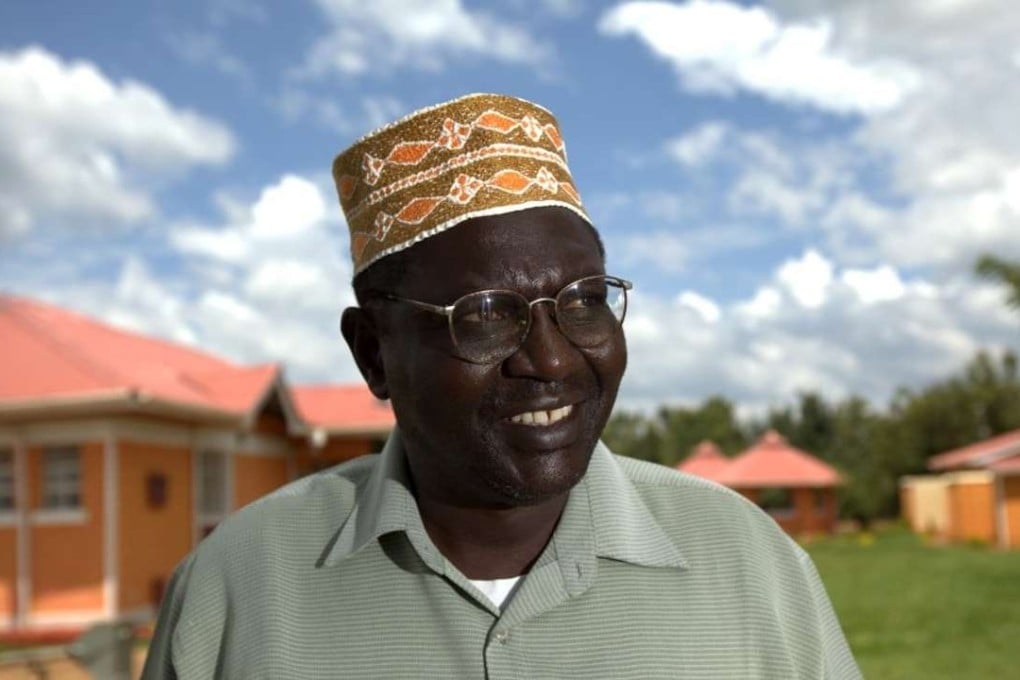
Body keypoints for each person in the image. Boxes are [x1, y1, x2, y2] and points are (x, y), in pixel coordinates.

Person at [142, 93, 861, 679]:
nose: (552, 361)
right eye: (485, 315)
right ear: (374, 354)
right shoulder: (235, 590)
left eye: (584, 301)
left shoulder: (747, 560)